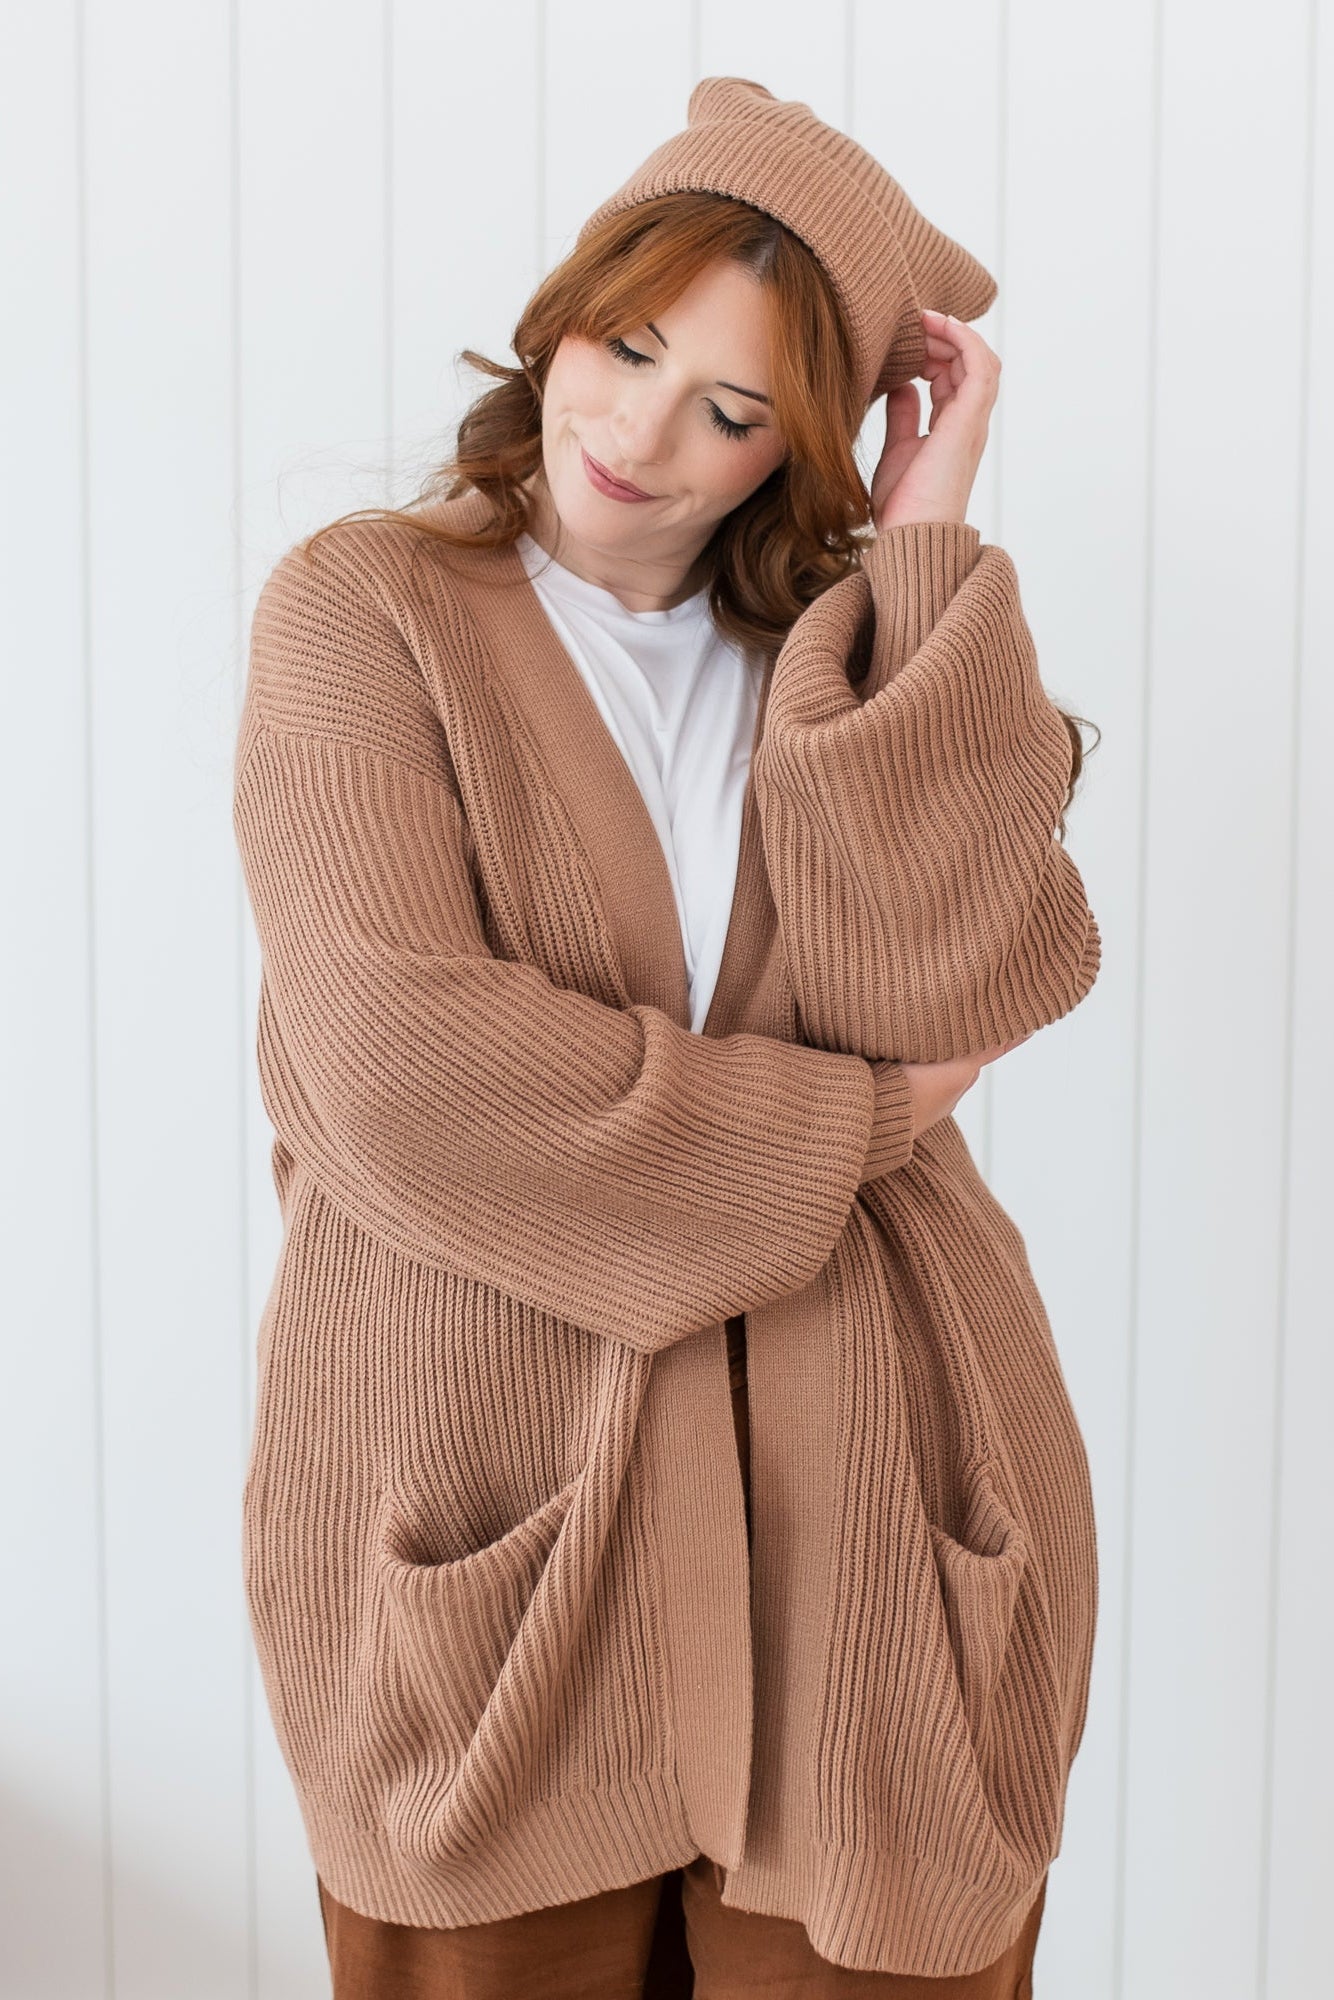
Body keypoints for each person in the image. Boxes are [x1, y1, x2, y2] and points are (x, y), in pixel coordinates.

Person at [233, 77, 1101, 1998]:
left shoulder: (833, 655)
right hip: (489, 1509)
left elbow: (956, 976)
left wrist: (913, 553)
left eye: (733, 411)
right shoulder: (362, 618)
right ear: (563, 311)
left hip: (875, 1517)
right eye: (627, 349)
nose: (638, 432)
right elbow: (414, 1075)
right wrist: (858, 1116)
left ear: (797, 446)